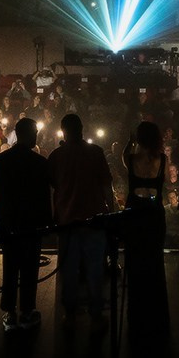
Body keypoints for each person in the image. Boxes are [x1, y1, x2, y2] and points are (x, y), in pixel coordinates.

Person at [48, 113, 114, 331]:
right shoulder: (95, 153)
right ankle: (96, 315)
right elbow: (106, 186)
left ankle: (69, 313)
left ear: (63, 131)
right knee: (95, 270)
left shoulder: (57, 156)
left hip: (67, 220)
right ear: (82, 129)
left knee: (69, 270)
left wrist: (53, 216)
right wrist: (110, 213)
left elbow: (52, 189)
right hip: (94, 220)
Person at [0, 117, 52, 331]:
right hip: (31, 223)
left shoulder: (0, 160)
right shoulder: (40, 162)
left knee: (10, 266)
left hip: (9, 221)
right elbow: (44, 196)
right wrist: (46, 222)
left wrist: (0, 221)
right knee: (29, 268)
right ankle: (27, 311)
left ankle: (9, 312)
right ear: (31, 133)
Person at [122, 120, 170, 339]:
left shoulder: (131, 159)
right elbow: (167, 182)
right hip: (154, 214)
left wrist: (131, 143)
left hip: (134, 214)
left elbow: (125, 157)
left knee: (134, 262)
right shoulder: (163, 160)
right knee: (154, 263)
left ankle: (137, 315)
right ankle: (156, 316)